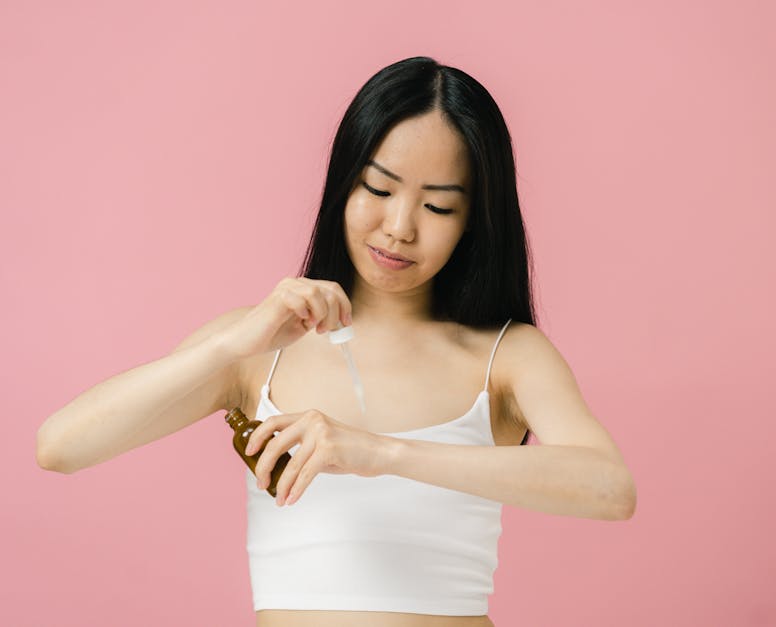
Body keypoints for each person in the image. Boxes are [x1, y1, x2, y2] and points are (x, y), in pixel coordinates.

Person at [36, 56, 637, 627]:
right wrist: (225, 348)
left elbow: (610, 489)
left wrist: (381, 454)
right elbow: (61, 446)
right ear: (342, 183)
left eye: (437, 205)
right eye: (378, 190)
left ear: (475, 219)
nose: (399, 227)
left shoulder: (506, 355)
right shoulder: (257, 349)